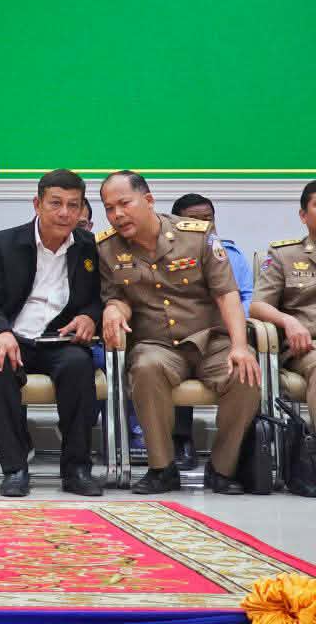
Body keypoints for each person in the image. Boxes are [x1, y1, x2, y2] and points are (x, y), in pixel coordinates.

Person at [97, 171, 261, 494]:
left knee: (245, 372)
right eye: (109, 208)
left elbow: (227, 293)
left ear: (148, 200)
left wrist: (240, 346)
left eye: (124, 204)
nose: (117, 214)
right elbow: (116, 296)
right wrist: (114, 309)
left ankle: (222, 468)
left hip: (210, 340)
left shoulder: (196, 236)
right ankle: (162, 468)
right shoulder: (107, 248)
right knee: (145, 368)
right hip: (157, 344)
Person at [0, 170, 103, 497]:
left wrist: (90, 316)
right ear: (37, 204)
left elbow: (102, 297)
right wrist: (0, 331)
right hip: (12, 337)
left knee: (79, 366)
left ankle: (77, 469)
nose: (64, 213)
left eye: (73, 205)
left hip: (60, 340)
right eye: (55, 203)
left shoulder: (90, 247)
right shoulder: (2, 243)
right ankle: (15, 468)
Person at [165, 193, 254, 470]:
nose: (204, 226)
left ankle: (230, 459)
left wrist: (236, 323)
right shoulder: (165, 254)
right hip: (181, 335)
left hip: (222, 334)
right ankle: (180, 440)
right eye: (195, 220)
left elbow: (247, 297)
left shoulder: (229, 254)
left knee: (244, 366)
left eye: (208, 219)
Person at [249, 180, 316, 448]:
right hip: (306, 347)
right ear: (303, 215)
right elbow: (258, 306)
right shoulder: (284, 255)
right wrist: (288, 321)